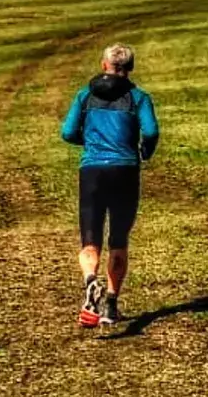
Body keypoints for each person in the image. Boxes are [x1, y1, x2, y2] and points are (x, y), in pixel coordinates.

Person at [60, 43, 160, 327]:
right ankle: (111, 304)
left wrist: (89, 143)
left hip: (91, 170)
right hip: (125, 170)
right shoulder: (138, 97)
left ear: (104, 65)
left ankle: (91, 280)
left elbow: (67, 132)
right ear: (130, 69)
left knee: (90, 238)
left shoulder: (85, 95)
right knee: (118, 239)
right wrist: (144, 151)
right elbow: (151, 131)